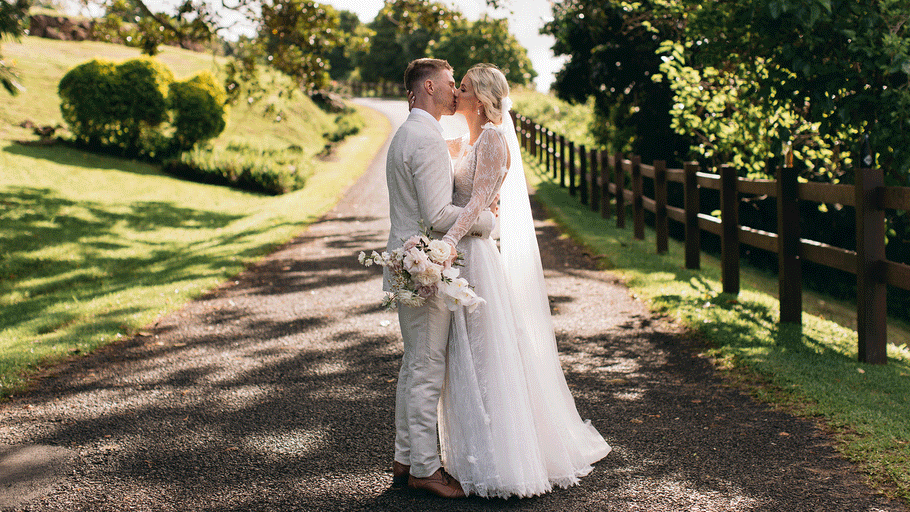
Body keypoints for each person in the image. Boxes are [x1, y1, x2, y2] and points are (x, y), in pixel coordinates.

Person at [436, 63, 612, 498]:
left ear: (482, 97)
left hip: (474, 256)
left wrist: (449, 241)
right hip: (463, 254)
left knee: (486, 356)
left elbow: (480, 198)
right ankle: (471, 453)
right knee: (467, 356)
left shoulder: (494, 138)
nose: (456, 94)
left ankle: (502, 460)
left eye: (463, 88)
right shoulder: (475, 139)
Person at [384, 58, 496, 499]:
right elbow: (438, 215)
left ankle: (405, 456)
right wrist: (487, 220)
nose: (455, 92)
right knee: (428, 367)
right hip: (425, 268)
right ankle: (426, 470)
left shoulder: (406, 132)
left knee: (415, 364)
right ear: (429, 86)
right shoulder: (425, 139)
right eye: (451, 84)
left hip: (407, 263)